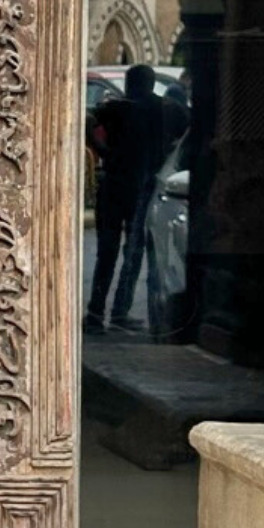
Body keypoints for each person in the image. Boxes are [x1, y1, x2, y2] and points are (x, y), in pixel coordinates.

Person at [84, 62, 176, 335]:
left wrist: (104, 151)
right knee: (131, 252)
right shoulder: (160, 108)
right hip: (139, 188)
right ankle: (116, 312)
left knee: (108, 252)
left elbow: (88, 123)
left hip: (115, 185)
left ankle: (97, 313)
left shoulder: (116, 108)